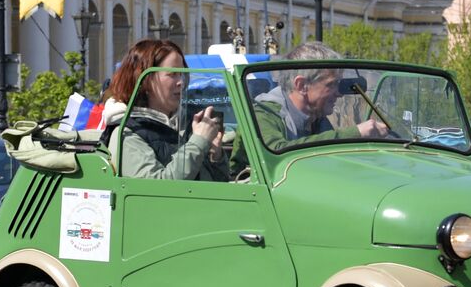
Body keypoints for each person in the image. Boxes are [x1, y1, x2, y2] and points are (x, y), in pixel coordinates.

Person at [102, 39, 228, 181]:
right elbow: (159, 188)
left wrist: (215, 155)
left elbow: (219, 186)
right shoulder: (126, 133)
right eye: (172, 74)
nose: (180, 82)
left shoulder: (186, 125)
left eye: (182, 74)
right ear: (145, 81)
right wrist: (198, 143)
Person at [252, 42, 388, 151]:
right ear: (302, 85)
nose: (339, 93)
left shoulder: (317, 118)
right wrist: (356, 133)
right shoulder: (263, 114)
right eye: (331, 85)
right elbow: (275, 152)